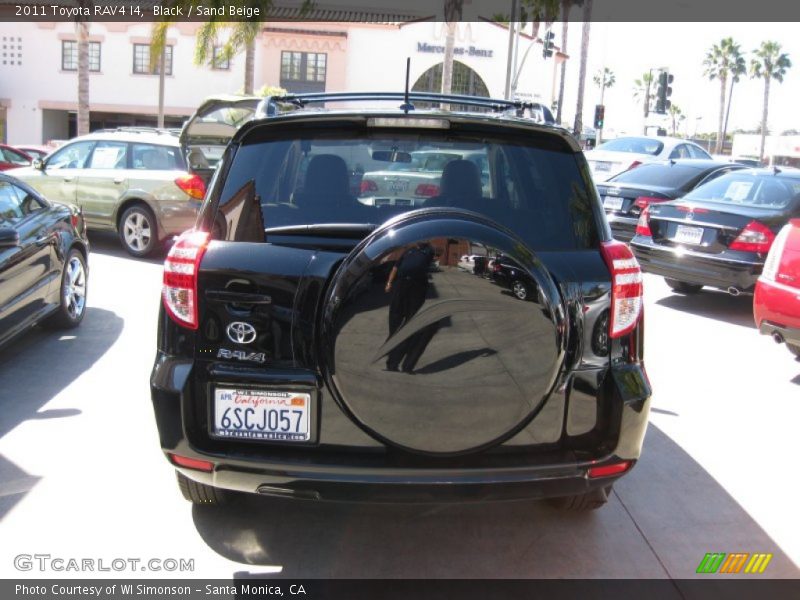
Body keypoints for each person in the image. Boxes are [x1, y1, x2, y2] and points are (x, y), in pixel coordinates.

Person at [383, 242, 436, 372]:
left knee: (410, 324)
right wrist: (389, 282)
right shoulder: (407, 251)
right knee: (394, 323)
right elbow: (396, 267)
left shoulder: (428, 251)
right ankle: (392, 359)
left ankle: (402, 363)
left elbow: (435, 252)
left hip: (417, 287)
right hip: (401, 285)